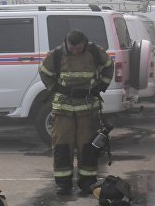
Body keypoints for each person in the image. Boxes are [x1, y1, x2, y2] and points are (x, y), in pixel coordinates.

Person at [39, 30, 114, 195]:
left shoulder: (95, 52)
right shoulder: (56, 54)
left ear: (84, 43)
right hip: (63, 108)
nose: (75, 51)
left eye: (78, 48)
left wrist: (101, 86)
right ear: (67, 43)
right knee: (61, 146)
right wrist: (56, 88)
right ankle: (63, 184)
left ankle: (87, 182)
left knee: (87, 147)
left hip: (87, 108)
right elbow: (44, 71)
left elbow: (109, 67)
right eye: (72, 48)